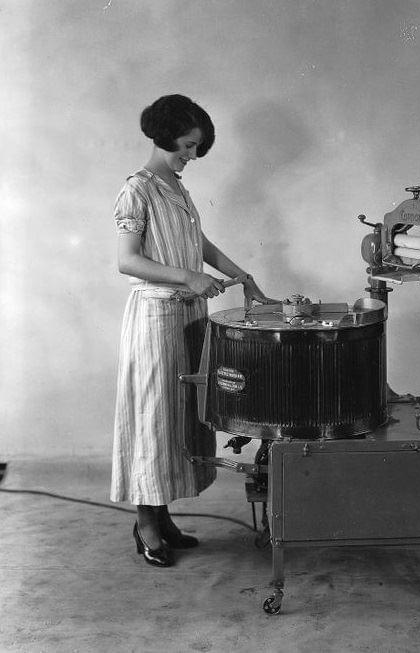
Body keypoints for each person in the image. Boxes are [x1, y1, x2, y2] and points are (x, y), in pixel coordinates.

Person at [110, 94, 272, 567]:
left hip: (188, 318)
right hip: (156, 317)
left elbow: (197, 244)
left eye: (197, 148)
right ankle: (145, 525)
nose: (191, 156)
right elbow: (127, 260)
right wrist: (189, 278)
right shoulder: (137, 189)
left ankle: (163, 518)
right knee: (154, 418)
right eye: (187, 145)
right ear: (163, 136)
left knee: (180, 418)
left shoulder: (176, 189)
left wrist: (244, 277)